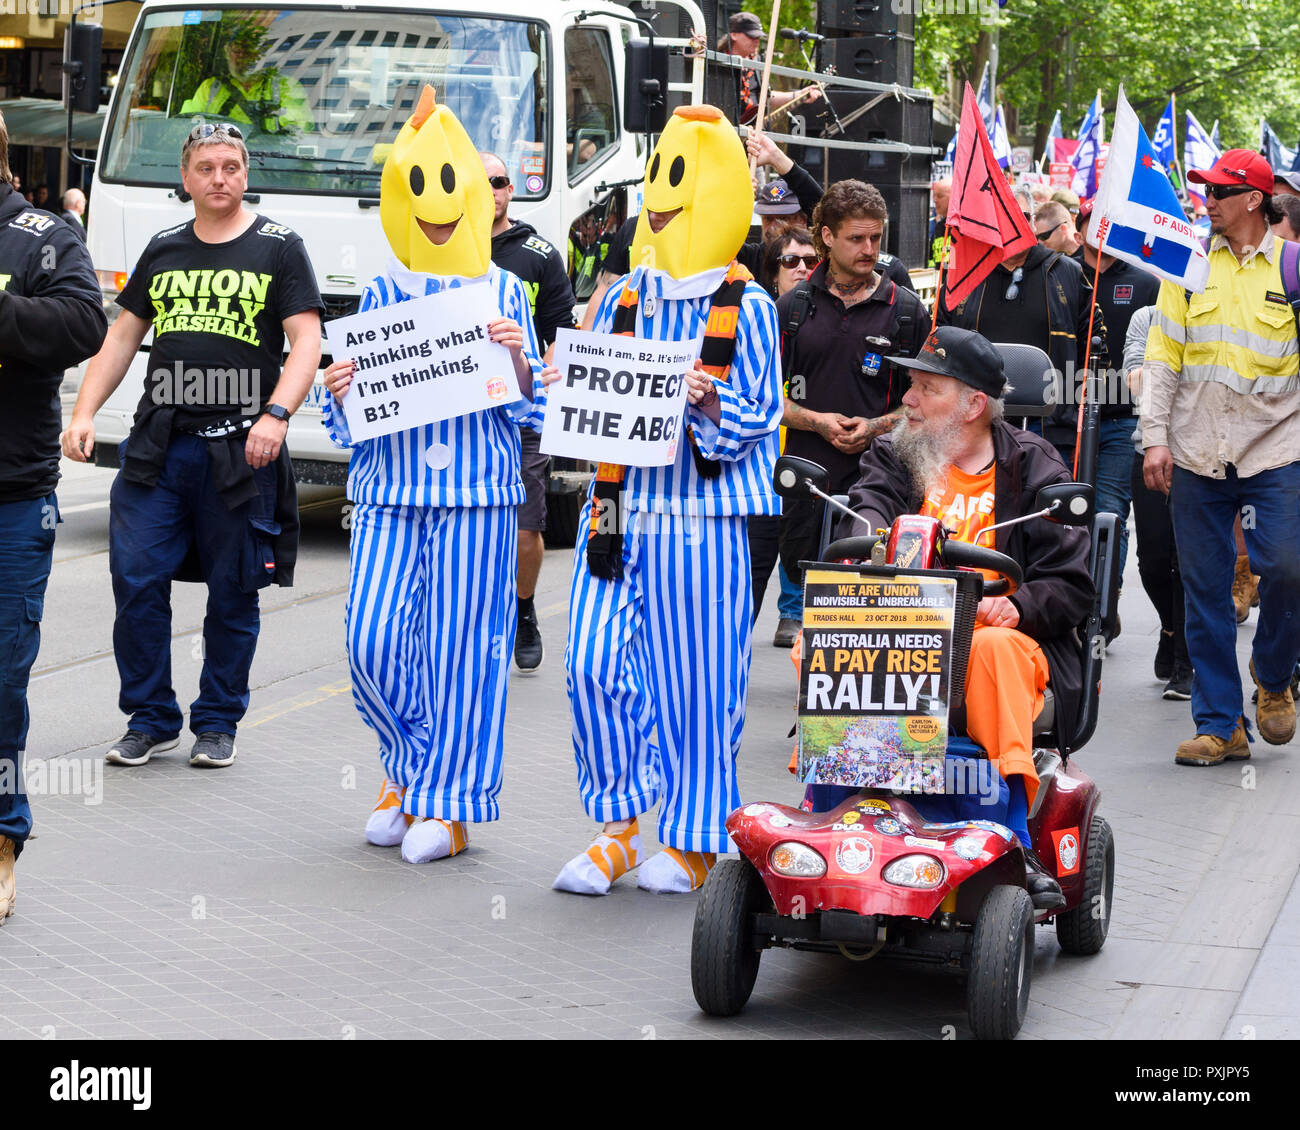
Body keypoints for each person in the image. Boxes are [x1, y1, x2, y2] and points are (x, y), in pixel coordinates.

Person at [551, 106, 782, 896]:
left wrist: (705, 400)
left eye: (679, 183)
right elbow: (587, 400)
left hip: (701, 520)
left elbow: (760, 417)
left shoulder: (748, 306)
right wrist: (562, 380)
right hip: (615, 511)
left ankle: (693, 837)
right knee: (589, 668)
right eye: (657, 180)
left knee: (696, 682)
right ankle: (617, 824)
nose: (660, 198)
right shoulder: (619, 300)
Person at [321, 89, 550, 863]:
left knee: (460, 649)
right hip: (389, 492)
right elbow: (354, 417)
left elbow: (535, 410)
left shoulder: (508, 290)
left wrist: (518, 355)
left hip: (478, 497)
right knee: (372, 642)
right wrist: (342, 390)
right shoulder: (383, 291)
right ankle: (409, 767)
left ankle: (447, 803)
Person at [63, 122, 323, 771]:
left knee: (235, 591)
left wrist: (277, 415)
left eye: (230, 165)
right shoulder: (165, 247)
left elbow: (307, 340)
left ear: (245, 172)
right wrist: (86, 411)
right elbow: (122, 337)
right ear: (186, 178)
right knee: (135, 576)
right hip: (160, 447)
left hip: (244, 450)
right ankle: (150, 717)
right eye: (206, 167)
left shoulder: (279, 247)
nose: (219, 177)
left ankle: (216, 722)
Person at [837, 326, 1095, 908]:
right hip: (903, 619)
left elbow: (1072, 585)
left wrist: (1018, 603)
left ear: (975, 404)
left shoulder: (1033, 465)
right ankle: (836, 806)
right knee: (823, 634)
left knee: (991, 651)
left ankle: (1013, 833)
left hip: (996, 633)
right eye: (911, 384)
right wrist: (867, 538)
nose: (908, 400)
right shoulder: (896, 451)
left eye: (927, 388)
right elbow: (867, 506)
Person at [1142, 149, 1300, 766]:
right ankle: (1220, 724)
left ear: (1255, 200)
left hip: (1277, 450)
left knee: (1287, 567)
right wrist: (1155, 438)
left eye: (1219, 191)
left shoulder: (1292, 267)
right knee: (1205, 590)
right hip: (1197, 454)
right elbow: (1162, 359)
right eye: (1204, 189)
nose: (1205, 200)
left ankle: (1274, 673)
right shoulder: (1184, 269)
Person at [0, 114, 107, 924]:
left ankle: (2, 841)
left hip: (9, 500)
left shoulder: (42, 236)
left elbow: (82, 324)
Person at [777, 180, 929, 600]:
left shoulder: (907, 310)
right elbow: (765, 398)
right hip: (804, 482)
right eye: (856, 238)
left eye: (876, 238)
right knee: (808, 598)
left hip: (882, 480)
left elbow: (929, 404)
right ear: (827, 236)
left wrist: (875, 427)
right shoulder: (791, 309)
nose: (869, 249)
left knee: (873, 597)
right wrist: (818, 422)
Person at [479, 152, 577, 672]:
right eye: (478, 182)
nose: (489, 190)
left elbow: (560, 335)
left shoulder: (538, 254)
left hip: (523, 413)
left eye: (497, 181)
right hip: (469, 416)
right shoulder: (440, 248)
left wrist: (543, 389)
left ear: (511, 188)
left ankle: (523, 609)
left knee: (525, 526)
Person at [938, 193, 1107, 476]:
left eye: (1024, 217)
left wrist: (1082, 420)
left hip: (1052, 429)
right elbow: (940, 346)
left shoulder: (1066, 271)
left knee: (1048, 514)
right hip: (973, 423)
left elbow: (1095, 350)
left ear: (1033, 222)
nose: (1015, 226)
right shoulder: (964, 273)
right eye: (1004, 219)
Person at [750, 225, 818, 646]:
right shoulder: (759, 313)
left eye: (811, 261)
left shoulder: (820, 314)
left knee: (799, 533)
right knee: (760, 546)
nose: (801, 268)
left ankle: (792, 612)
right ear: (773, 272)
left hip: (803, 449)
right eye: (791, 261)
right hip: (761, 453)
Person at [1125, 304, 1191, 699]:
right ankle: (1169, 627)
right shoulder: (1145, 318)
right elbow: (1134, 381)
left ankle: (1186, 663)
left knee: (1187, 562)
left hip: (1202, 457)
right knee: (1151, 561)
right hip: (1149, 447)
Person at [179, 26, 311, 136]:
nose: (242, 56)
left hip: (268, 161)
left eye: (249, 50)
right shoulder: (210, 87)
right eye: (237, 50)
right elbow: (186, 127)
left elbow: (300, 127)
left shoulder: (285, 86)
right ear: (227, 52)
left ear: (260, 55)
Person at [715, 11, 820, 128]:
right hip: (724, 128)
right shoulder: (718, 61)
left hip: (752, 131)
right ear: (734, 35)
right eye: (751, 35)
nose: (756, 40)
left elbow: (767, 98)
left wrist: (799, 95)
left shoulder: (757, 62)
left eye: (758, 36)